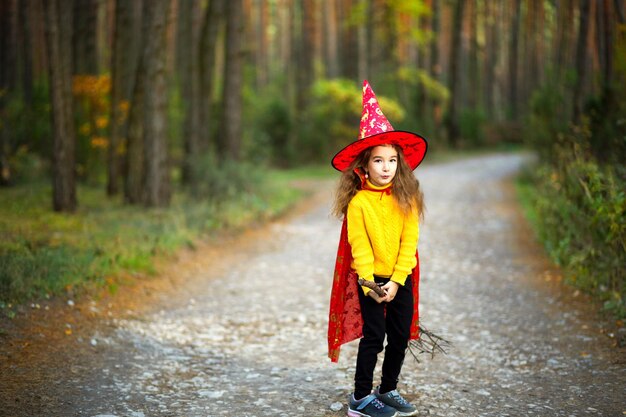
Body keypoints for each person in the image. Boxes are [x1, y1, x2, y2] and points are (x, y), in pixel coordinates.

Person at [327, 80, 428, 417]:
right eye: (378, 161)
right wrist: (371, 285)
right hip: (371, 281)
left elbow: (409, 242)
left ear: (400, 164)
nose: (386, 167)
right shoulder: (358, 204)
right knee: (375, 336)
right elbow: (360, 247)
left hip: (401, 278)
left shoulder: (406, 198)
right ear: (364, 166)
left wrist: (397, 281)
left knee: (399, 337)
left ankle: (387, 389)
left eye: (392, 161)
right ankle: (359, 398)